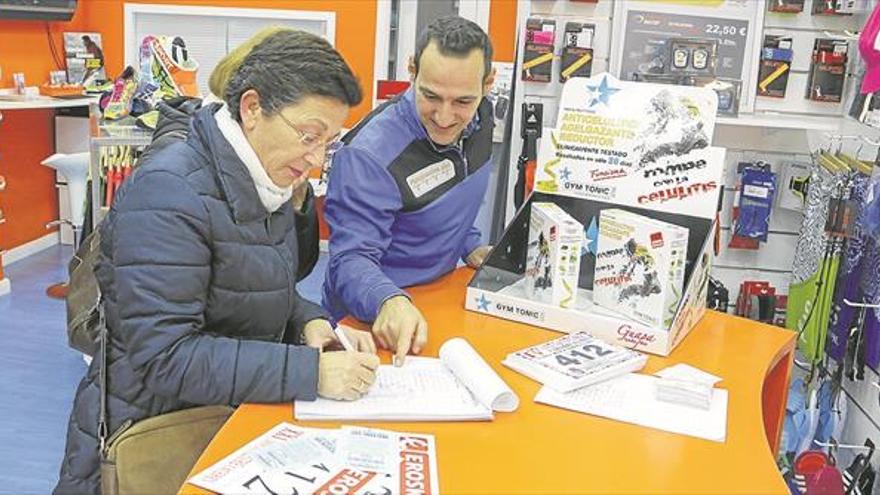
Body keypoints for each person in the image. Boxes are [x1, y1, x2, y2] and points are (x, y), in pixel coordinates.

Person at [54, 30, 379, 494]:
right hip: (154, 436)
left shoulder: (265, 178)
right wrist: (310, 373)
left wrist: (308, 321)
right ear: (252, 109)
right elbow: (165, 356)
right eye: (308, 135)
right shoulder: (170, 190)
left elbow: (258, 285)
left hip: (224, 423)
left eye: (330, 141)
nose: (316, 157)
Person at [322, 16, 495, 366]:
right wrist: (389, 300)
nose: (445, 117)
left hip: (443, 298)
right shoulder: (368, 155)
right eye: (430, 96)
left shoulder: (481, 119)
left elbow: (451, 190)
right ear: (412, 70)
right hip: (374, 319)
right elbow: (349, 260)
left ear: (488, 84)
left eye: (462, 101)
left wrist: (471, 244)